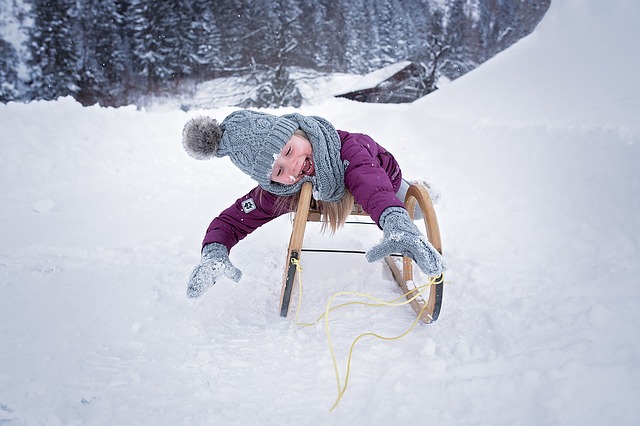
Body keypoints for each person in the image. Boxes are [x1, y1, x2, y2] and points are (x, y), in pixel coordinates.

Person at [181, 110, 445, 298]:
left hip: (381, 178)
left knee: (417, 208)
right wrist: (214, 252)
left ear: (298, 132)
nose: (293, 167)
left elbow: (370, 184)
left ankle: (422, 189)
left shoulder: (349, 149)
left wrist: (396, 222)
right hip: (328, 196)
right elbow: (232, 220)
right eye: (278, 171)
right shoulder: (285, 189)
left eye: (287, 151)